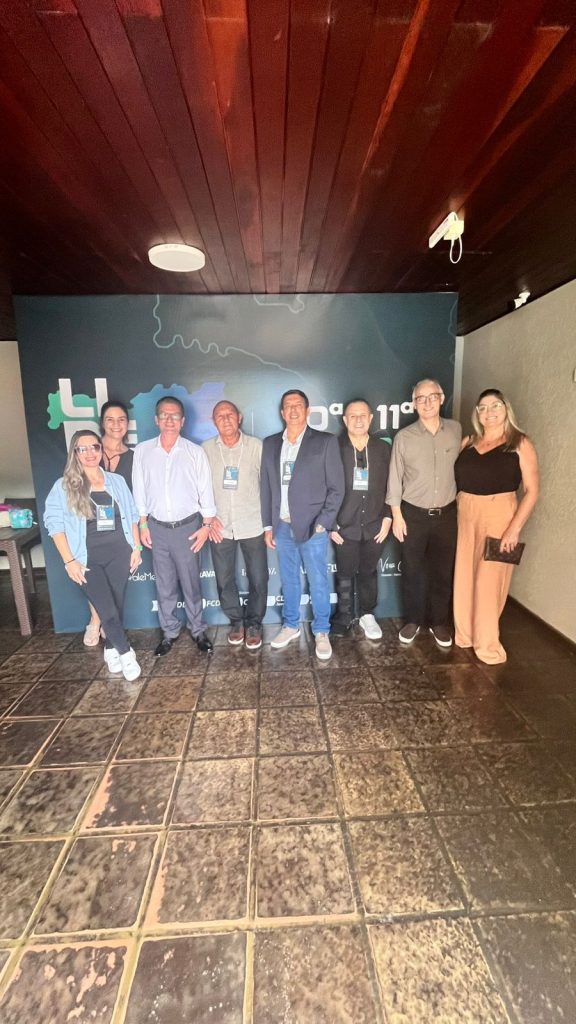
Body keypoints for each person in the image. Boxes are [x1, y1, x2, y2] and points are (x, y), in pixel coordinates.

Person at [43, 430, 142, 680]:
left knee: (116, 603)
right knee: (105, 606)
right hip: (86, 558)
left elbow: (131, 515)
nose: (89, 453)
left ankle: (110, 649)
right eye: (82, 448)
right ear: (74, 453)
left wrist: (137, 547)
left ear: (101, 449)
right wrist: (69, 561)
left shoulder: (116, 481)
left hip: (120, 552)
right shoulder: (64, 486)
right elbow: (54, 526)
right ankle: (126, 653)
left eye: (94, 447)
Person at [453, 388, 539, 664]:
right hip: (466, 513)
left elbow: (533, 491)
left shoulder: (519, 443)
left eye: (495, 406)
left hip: (501, 515)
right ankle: (465, 636)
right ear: (477, 413)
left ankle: (488, 645)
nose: (489, 412)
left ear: (506, 409)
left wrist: (514, 529)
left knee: (490, 582)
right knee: (464, 577)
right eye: (483, 407)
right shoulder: (468, 442)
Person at [261, 389, 345, 661]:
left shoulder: (325, 442)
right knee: (288, 579)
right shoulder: (270, 444)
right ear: (282, 413)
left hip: (312, 527)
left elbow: (337, 488)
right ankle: (290, 625)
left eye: (298, 405)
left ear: (307, 411)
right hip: (282, 526)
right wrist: (268, 526)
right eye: (288, 405)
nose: (293, 409)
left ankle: (321, 630)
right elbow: (266, 488)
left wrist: (323, 523)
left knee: (318, 580)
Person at [132, 396, 218, 657]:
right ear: (156, 420)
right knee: (165, 584)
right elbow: (139, 490)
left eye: (175, 416)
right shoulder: (143, 451)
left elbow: (205, 491)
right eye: (164, 415)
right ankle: (169, 632)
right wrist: (143, 525)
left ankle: (198, 630)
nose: (169, 420)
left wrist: (206, 525)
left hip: (188, 528)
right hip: (156, 528)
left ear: (183, 421)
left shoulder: (194, 452)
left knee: (191, 584)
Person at [387, 378, 461, 647]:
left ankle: (439, 622)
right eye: (421, 398)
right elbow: (394, 478)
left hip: (447, 516)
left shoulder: (455, 430)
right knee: (413, 571)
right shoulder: (404, 437)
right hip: (413, 516)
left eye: (432, 397)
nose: (427, 403)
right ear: (414, 403)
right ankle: (413, 620)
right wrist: (397, 516)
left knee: (443, 571)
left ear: (442, 398)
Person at [202, 400, 268, 650]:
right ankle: (236, 621)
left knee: (258, 578)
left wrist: (269, 523)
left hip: (253, 522)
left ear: (239, 417)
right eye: (220, 416)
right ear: (213, 421)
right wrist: (208, 518)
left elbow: (268, 485)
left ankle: (254, 623)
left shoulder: (256, 446)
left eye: (230, 414)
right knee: (224, 579)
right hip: (220, 527)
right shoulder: (206, 449)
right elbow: (199, 487)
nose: (226, 419)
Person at [330, 399, 392, 640]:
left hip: (376, 524)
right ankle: (343, 615)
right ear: (345, 420)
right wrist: (331, 524)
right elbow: (323, 486)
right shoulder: (334, 448)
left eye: (363, 415)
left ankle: (367, 614)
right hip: (343, 526)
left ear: (371, 418)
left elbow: (393, 485)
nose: (358, 420)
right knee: (345, 572)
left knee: (368, 571)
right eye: (352, 416)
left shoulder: (383, 449)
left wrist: (388, 517)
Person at [83, 400, 134, 647]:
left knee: (114, 581)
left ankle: (108, 623)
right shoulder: (89, 450)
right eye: (110, 419)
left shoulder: (134, 457)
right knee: (95, 576)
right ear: (102, 423)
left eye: (121, 419)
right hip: (90, 527)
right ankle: (96, 620)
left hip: (119, 529)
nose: (116, 424)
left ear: (127, 424)